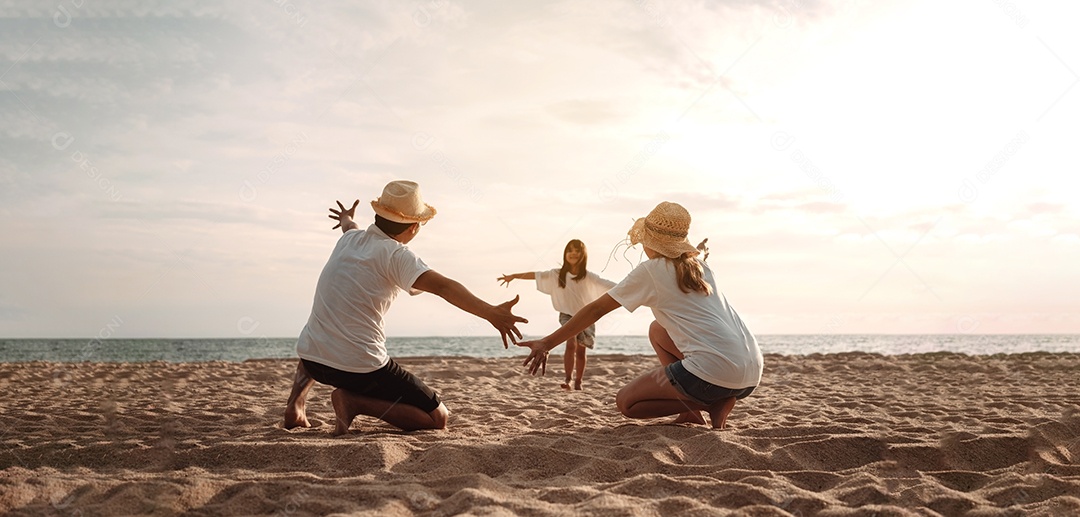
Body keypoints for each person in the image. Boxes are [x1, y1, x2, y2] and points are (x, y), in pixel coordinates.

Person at [283, 180, 528, 435]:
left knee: (318, 332)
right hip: (360, 371)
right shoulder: (397, 255)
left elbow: (349, 226)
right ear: (413, 227)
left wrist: (345, 217)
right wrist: (491, 313)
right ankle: (353, 401)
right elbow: (445, 288)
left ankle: (295, 405)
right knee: (437, 418)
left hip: (312, 360)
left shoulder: (350, 240)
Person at [518, 202, 762, 429]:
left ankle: (707, 404)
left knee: (627, 403)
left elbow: (595, 309)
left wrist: (547, 343)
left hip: (715, 374)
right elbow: (694, 256)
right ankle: (692, 413)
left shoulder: (652, 270)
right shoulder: (699, 266)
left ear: (649, 242)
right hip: (751, 372)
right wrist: (699, 249)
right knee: (657, 330)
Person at [497, 240, 616, 390]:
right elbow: (536, 275)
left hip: (586, 315)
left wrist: (631, 289)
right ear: (565, 254)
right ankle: (568, 380)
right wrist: (514, 276)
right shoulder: (557, 274)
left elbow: (607, 284)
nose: (573, 253)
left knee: (581, 350)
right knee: (570, 342)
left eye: (577, 251)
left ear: (583, 255)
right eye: (570, 250)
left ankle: (578, 381)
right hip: (566, 314)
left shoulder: (588, 276)